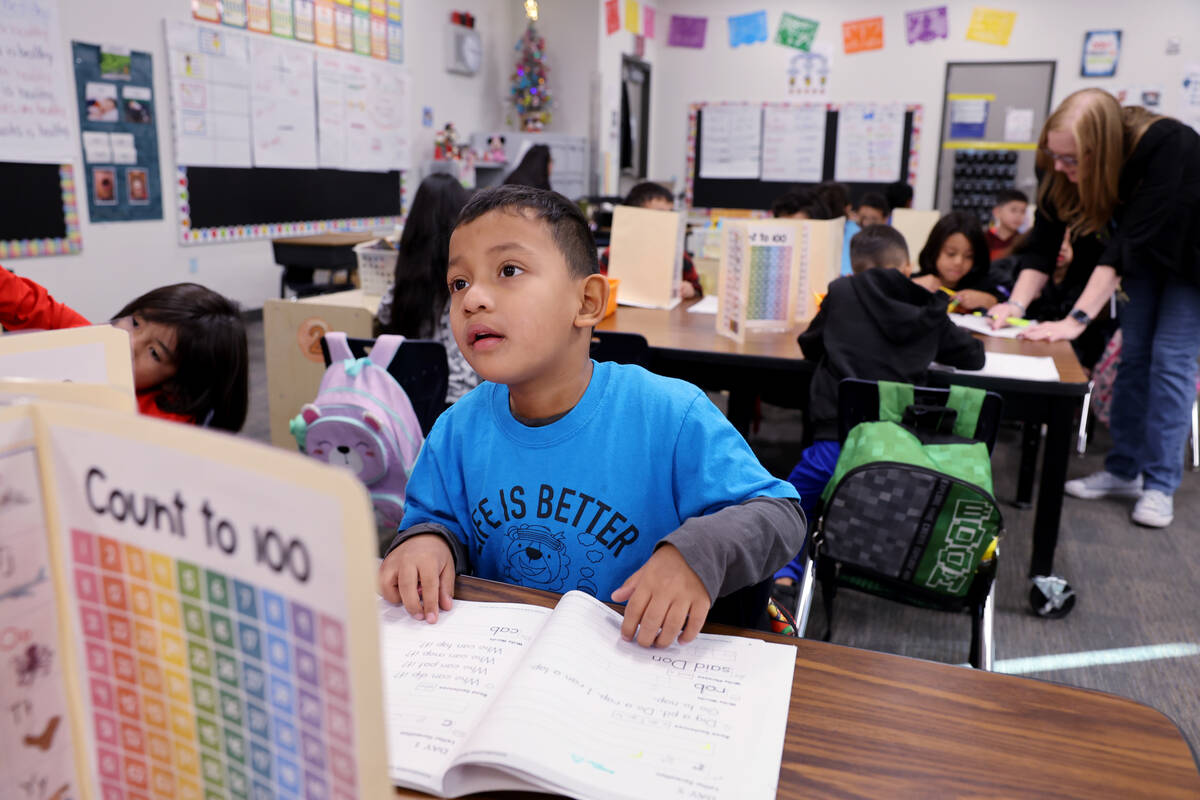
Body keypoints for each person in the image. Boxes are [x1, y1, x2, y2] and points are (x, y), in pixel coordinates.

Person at [376, 186, 805, 647]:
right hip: (511, 659)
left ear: (587, 302)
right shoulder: (456, 431)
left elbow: (779, 514)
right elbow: (434, 518)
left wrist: (696, 555)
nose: (472, 299)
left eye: (508, 270)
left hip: (637, 662)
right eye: (459, 282)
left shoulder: (668, 415)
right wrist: (427, 541)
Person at [988, 88, 1200, 528]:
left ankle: (1159, 484)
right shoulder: (1058, 161)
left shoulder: (1168, 144)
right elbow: (1043, 245)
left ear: (1101, 151)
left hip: (1192, 257)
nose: (1061, 170)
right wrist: (1015, 304)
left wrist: (1075, 320)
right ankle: (1124, 470)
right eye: (1055, 158)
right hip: (1144, 258)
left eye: (1072, 162)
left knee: (1170, 362)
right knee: (1134, 358)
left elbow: (1127, 244)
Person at [772, 225, 984, 593]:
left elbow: (809, 344)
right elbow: (973, 357)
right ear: (906, 269)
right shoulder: (929, 306)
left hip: (833, 442)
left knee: (791, 500)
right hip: (898, 450)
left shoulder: (841, 292)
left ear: (854, 270)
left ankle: (785, 572)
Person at [0, 265, 249, 431]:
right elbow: (31, 305)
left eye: (154, 353)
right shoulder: (95, 343)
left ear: (175, 383)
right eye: (136, 322)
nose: (130, 342)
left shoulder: (164, 428)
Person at [377, 173, 481, 402]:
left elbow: (383, 313)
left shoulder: (407, 280)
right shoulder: (463, 288)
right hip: (457, 397)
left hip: (407, 395)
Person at [598, 181, 703, 298]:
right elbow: (598, 288)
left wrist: (691, 290)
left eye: (670, 215)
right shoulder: (612, 254)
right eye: (659, 215)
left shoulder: (678, 255)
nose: (667, 222)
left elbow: (697, 288)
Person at [912, 211, 1001, 311]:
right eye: (951, 253)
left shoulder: (985, 286)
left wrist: (991, 302)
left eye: (968, 256)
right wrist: (909, 286)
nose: (958, 262)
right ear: (934, 250)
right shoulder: (916, 281)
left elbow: (1009, 304)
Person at [985, 188, 1029, 261]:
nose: (1018, 215)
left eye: (1023, 211)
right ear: (997, 212)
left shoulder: (1024, 242)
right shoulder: (985, 239)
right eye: (1013, 210)